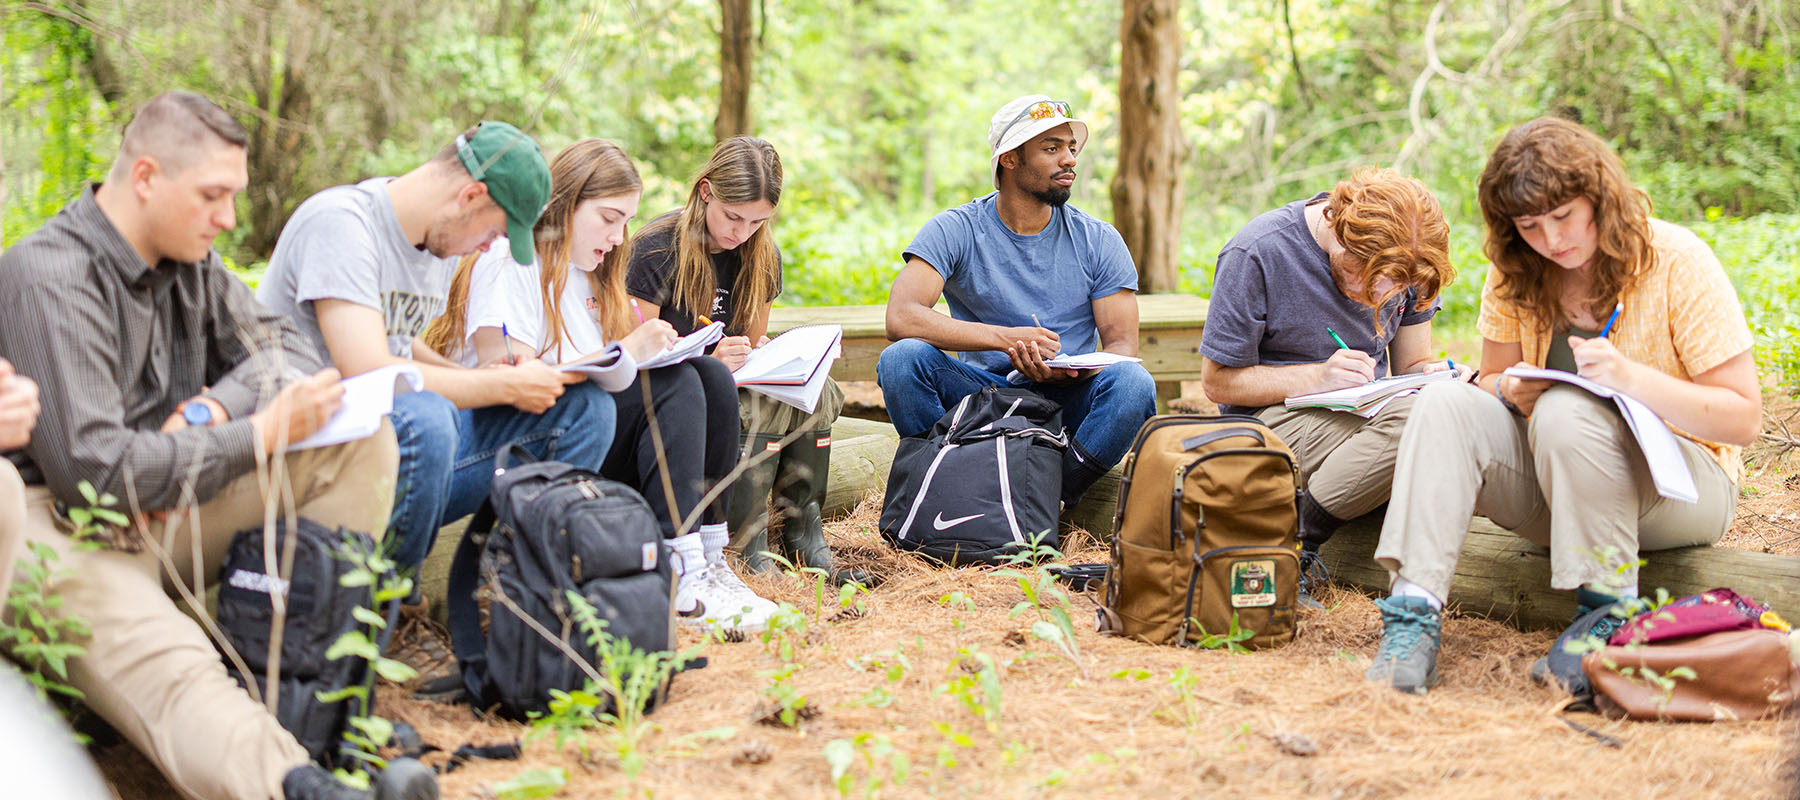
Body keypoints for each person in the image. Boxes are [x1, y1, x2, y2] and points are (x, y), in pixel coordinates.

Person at [0, 91, 431, 800]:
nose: (228, 218)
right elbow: (97, 479)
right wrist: (255, 434)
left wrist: (205, 418)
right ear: (144, 178)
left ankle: (311, 710)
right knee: (171, 662)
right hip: (62, 529)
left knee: (362, 444)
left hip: (167, 503)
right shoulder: (47, 274)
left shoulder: (193, 264)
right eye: (212, 196)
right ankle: (294, 786)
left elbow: (287, 348)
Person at [1365, 117, 1760, 694]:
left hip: (1682, 487)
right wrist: (1504, 389)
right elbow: (1492, 376)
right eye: (1529, 225)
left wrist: (1631, 380)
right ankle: (1413, 618)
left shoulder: (1677, 258)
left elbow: (1742, 418)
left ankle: (1607, 614)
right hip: (1559, 486)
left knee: (1567, 411)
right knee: (1445, 398)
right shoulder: (1516, 269)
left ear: (1599, 198)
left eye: (1563, 217)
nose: (1551, 240)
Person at [420, 138, 779, 632]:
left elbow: (600, 367)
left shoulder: (589, 275)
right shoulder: (509, 261)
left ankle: (707, 556)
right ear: (565, 204)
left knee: (710, 375)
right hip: (518, 443)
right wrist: (629, 352)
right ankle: (676, 564)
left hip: (583, 428)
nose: (618, 236)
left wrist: (644, 350)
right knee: (674, 385)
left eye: (625, 222)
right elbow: (503, 375)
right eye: (609, 219)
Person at [259, 121, 617, 579]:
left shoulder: (436, 245)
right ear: (470, 196)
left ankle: (524, 591)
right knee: (429, 417)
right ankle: (390, 600)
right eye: (495, 232)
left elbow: (398, 338)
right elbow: (370, 370)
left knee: (585, 408)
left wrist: (500, 379)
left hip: (397, 449)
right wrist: (493, 384)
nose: (491, 247)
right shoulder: (341, 223)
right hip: (317, 449)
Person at [876, 95, 1156, 509]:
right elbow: (902, 316)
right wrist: (1005, 340)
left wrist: (1071, 373)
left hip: (1064, 404)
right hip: (979, 400)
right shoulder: (956, 229)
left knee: (1134, 385)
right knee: (902, 359)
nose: (1069, 160)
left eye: (1070, 148)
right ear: (1008, 159)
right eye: (1051, 149)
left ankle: (1050, 497)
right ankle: (940, 482)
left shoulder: (1099, 239)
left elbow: (1122, 348)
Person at [1198, 167, 1460, 602]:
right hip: (1267, 426)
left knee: (1447, 410)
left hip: (1368, 415)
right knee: (1419, 422)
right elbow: (1218, 383)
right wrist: (1316, 377)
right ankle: (1293, 545)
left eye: (1399, 285)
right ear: (1339, 233)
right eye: (1371, 278)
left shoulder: (1406, 262)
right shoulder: (1258, 250)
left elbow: (1413, 362)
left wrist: (1437, 376)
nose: (1383, 295)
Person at [625, 136, 860, 585]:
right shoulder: (657, 248)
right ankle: (745, 542)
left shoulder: (760, 254)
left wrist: (794, 358)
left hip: (733, 383)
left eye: (758, 221)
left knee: (820, 390)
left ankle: (804, 534)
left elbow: (753, 342)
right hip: (671, 393)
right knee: (759, 404)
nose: (741, 232)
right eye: (733, 217)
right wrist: (710, 358)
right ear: (705, 191)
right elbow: (634, 348)